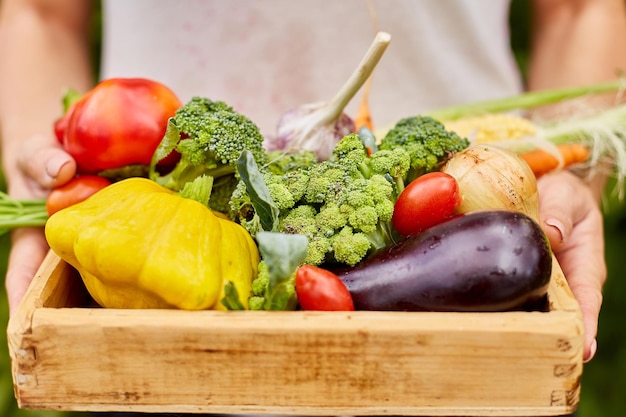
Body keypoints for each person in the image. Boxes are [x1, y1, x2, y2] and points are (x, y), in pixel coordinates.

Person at [0, 1, 624, 415]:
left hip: (462, 228)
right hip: (150, 243)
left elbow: (580, 7)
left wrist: (571, 165)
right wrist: (44, 163)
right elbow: (36, 13)